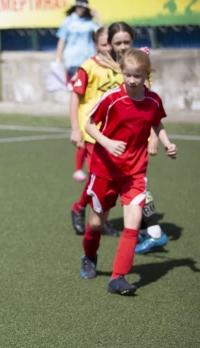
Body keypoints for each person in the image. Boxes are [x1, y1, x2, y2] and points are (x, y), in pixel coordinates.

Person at [80, 48, 177, 295]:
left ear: (146, 75)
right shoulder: (112, 98)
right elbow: (89, 125)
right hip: (105, 170)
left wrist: (166, 142)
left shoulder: (153, 100)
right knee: (96, 223)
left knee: (132, 224)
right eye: (127, 75)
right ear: (121, 72)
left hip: (135, 171)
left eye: (137, 76)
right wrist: (108, 142)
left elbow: (157, 122)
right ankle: (89, 255)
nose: (132, 80)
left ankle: (117, 277)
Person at [69, 26, 121, 237]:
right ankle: (80, 208)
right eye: (104, 44)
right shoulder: (88, 66)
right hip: (92, 129)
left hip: (115, 130)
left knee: (112, 178)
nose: (109, 48)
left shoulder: (121, 67)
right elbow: (75, 97)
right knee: (98, 176)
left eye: (112, 43)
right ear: (96, 45)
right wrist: (75, 128)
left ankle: (101, 218)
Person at [55, 0, 102, 81]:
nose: (81, 10)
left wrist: (97, 17)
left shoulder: (89, 22)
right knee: (76, 85)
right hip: (73, 60)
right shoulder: (68, 21)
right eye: (79, 7)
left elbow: (102, 33)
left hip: (88, 58)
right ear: (75, 7)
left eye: (84, 8)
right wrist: (58, 58)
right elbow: (62, 40)